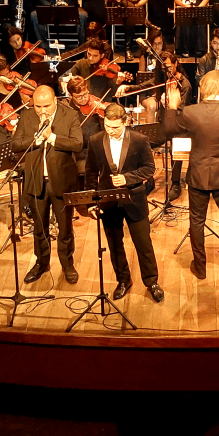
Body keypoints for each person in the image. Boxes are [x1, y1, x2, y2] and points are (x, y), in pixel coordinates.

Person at [165, 71, 219, 280]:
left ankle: (200, 267)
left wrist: (172, 107)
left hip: (197, 175)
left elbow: (169, 129)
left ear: (203, 88)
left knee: (196, 221)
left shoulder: (190, 112)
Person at [84, 103, 164, 303]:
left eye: (115, 127)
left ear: (126, 122)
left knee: (143, 243)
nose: (111, 131)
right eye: (107, 126)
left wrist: (128, 178)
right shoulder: (95, 141)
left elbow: (149, 169)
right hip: (108, 201)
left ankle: (152, 282)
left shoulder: (139, 140)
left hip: (134, 200)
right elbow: (91, 173)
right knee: (114, 245)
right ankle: (123, 280)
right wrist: (91, 203)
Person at [11, 85, 83, 284]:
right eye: (38, 106)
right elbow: (15, 144)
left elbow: (77, 144)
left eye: (46, 106)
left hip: (61, 182)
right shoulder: (27, 116)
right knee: (39, 228)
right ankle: (41, 263)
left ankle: (68, 265)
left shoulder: (70, 115)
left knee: (65, 228)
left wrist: (51, 138)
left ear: (56, 101)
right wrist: (35, 141)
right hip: (36, 181)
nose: (42, 111)